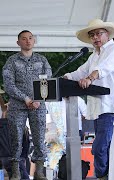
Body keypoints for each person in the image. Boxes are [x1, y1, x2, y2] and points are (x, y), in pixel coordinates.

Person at [64, 19, 114, 180]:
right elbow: (80, 72)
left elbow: (104, 68)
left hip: (111, 107)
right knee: (104, 147)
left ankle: (103, 176)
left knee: (99, 148)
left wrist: (90, 78)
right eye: (92, 35)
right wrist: (64, 79)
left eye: (99, 33)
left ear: (107, 34)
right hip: (98, 108)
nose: (95, 37)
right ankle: (108, 176)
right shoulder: (94, 56)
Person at [2, 30, 52, 180]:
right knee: (16, 137)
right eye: (24, 39)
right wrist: (25, 99)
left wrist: (38, 99)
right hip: (18, 105)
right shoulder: (11, 61)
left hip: (38, 104)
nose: (28, 41)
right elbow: (9, 84)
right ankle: (16, 171)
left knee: (39, 137)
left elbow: (48, 81)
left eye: (30, 38)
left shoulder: (42, 60)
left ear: (34, 41)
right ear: (18, 43)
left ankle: (39, 171)